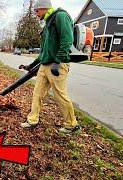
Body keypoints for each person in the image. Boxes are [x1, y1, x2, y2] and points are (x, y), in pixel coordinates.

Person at [20, 0, 80, 134]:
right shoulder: (47, 23)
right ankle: (32, 120)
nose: (36, 14)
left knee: (60, 95)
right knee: (37, 93)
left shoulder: (61, 16)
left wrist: (58, 61)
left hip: (57, 65)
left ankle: (72, 125)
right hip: (45, 65)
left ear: (44, 8)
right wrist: (31, 65)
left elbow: (67, 39)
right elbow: (45, 51)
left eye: (37, 11)